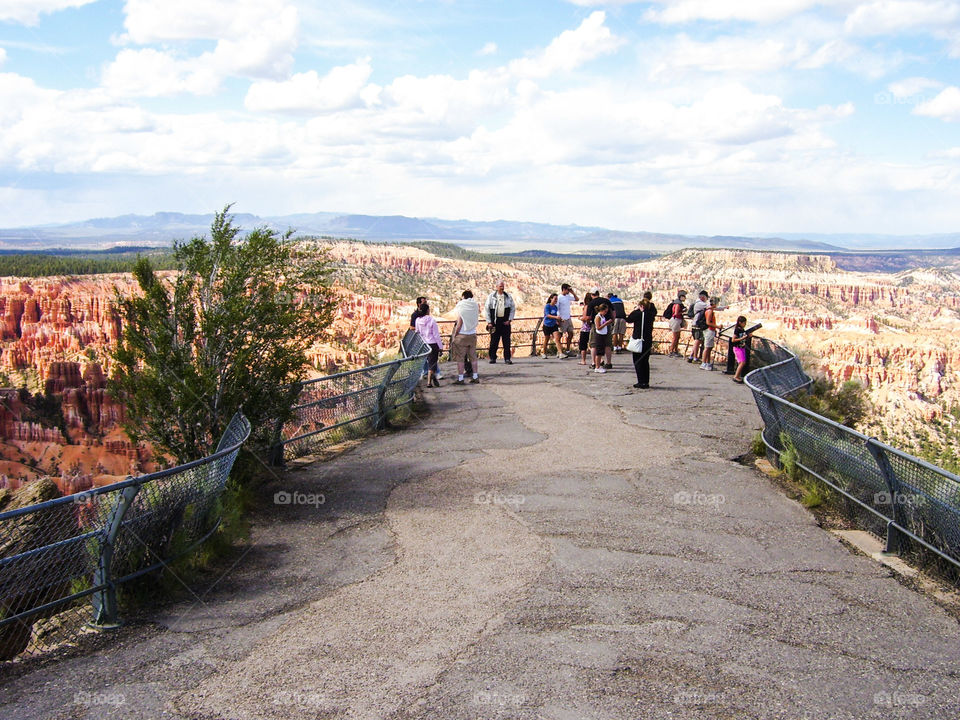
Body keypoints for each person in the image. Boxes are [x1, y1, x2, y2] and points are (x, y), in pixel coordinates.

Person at [626, 290, 656, 388]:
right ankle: (646, 381)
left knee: (638, 361)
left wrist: (636, 309)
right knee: (645, 361)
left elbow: (629, 319)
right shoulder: (651, 315)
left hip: (639, 339)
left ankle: (640, 381)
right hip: (648, 340)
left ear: (641, 306)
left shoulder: (638, 314)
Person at [451, 290, 481, 384]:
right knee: (473, 357)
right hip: (472, 334)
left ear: (463, 296)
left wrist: (455, 335)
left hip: (462, 335)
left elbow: (459, 323)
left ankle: (460, 378)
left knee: (460, 358)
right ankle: (475, 376)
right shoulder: (475, 305)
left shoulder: (462, 306)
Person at [485, 280, 515, 364]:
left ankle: (507, 358)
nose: (502, 288)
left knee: (506, 341)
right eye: (500, 286)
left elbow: (512, 308)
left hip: (505, 322)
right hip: (495, 321)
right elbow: (487, 309)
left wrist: (509, 320)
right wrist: (489, 322)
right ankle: (492, 358)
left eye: (503, 286)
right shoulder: (491, 296)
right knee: (494, 341)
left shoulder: (508, 296)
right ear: (497, 287)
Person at [414, 304, 443, 388]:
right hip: (433, 343)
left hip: (424, 344)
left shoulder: (417, 320)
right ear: (427, 310)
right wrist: (440, 347)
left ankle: (431, 377)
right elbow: (436, 335)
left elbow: (417, 332)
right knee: (432, 362)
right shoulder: (432, 320)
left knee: (426, 361)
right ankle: (429, 381)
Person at [586, 288, 614, 369]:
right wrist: (612, 321)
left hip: (596, 325)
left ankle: (594, 363)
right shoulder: (607, 301)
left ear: (592, 295)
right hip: (608, 323)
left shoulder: (591, 303)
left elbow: (588, 317)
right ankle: (609, 363)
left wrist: (589, 323)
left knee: (594, 344)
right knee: (607, 344)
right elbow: (613, 312)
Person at [556, 283, 579, 357]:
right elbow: (557, 308)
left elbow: (577, 299)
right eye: (568, 289)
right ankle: (559, 351)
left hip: (568, 318)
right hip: (562, 319)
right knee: (560, 335)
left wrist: (573, 292)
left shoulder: (568, 296)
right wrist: (558, 319)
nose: (569, 291)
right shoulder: (559, 298)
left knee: (570, 334)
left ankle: (568, 350)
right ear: (564, 289)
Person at [686, 290, 709, 364]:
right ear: (703, 297)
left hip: (695, 324)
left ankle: (691, 356)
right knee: (697, 341)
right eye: (706, 298)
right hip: (698, 325)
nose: (706, 299)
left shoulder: (696, 303)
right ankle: (695, 358)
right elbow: (711, 307)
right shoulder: (701, 304)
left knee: (697, 341)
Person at [731, 315, 755, 384]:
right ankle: (736, 376)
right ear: (740, 322)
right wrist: (743, 338)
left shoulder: (742, 329)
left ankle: (737, 375)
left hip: (741, 347)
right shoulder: (737, 330)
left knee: (742, 362)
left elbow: (744, 336)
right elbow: (733, 340)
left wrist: (748, 336)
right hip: (737, 348)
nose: (745, 325)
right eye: (744, 323)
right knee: (742, 362)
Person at [539, 293, 563, 358]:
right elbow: (547, 315)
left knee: (557, 339)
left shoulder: (555, 307)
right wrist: (555, 317)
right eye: (555, 299)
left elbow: (556, 315)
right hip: (547, 325)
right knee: (546, 339)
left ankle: (560, 353)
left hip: (554, 325)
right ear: (551, 299)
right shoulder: (547, 306)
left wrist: (559, 320)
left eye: (556, 299)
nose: (556, 300)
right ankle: (544, 352)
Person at [700, 297, 720, 371]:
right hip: (709, 330)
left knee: (709, 347)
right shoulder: (710, 311)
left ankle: (707, 363)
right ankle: (703, 363)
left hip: (709, 330)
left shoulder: (709, 309)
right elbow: (708, 322)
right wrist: (717, 326)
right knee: (707, 347)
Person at [593, 302, 612, 373]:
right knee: (599, 352)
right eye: (605, 311)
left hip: (603, 335)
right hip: (599, 335)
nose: (606, 313)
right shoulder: (598, 317)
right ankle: (597, 367)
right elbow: (598, 327)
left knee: (601, 351)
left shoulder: (602, 317)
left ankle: (598, 365)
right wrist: (606, 323)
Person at [666, 290, 687, 357]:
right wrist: (683, 312)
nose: (685, 298)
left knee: (677, 337)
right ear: (681, 296)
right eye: (684, 296)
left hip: (677, 321)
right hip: (676, 321)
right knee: (675, 337)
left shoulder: (676, 303)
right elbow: (676, 313)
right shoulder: (678, 304)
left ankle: (675, 350)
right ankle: (671, 351)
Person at [577, 293, 594, 365]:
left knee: (583, 344)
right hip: (592, 327)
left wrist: (580, 318)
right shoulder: (594, 307)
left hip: (585, 328)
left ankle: (583, 360)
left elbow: (585, 318)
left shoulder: (587, 307)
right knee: (593, 344)